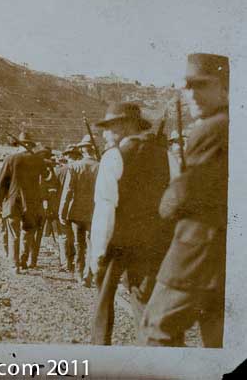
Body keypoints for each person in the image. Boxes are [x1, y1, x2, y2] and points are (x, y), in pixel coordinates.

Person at [139, 53, 229, 348]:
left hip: (196, 251)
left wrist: (167, 198)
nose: (191, 94)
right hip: (222, 255)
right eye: (187, 86)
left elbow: (179, 199)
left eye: (201, 85)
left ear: (225, 88)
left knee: (157, 327)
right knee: (218, 338)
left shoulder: (212, 127)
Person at [89, 102, 173, 345]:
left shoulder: (113, 157)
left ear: (125, 126)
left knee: (104, 300)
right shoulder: (168, 157)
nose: (104, 135)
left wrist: (98, 253)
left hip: (117, 243)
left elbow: (105, 208)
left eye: (108, 128)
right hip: (154, 245)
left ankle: (99, 351)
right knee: (145, 301)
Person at [0, 132, 48, 273]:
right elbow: (46, 179)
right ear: (31, 145)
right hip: (32, 202)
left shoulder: (10, 159)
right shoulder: (38, 161)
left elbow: (2, 183)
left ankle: (15, 265)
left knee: (14, 234)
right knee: (28, 232)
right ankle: (24, 261)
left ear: (18, 145)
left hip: (13, 201)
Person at [58, 136, 99, 285]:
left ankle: (79, 272)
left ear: (82, 150)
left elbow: (68, 191)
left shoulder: (74, 167)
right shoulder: (100, 166)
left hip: (76, 210)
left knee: (78, 243)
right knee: (91, 243)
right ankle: (88, 274)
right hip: (94, 211)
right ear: (93, 149)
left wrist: (62, 211)